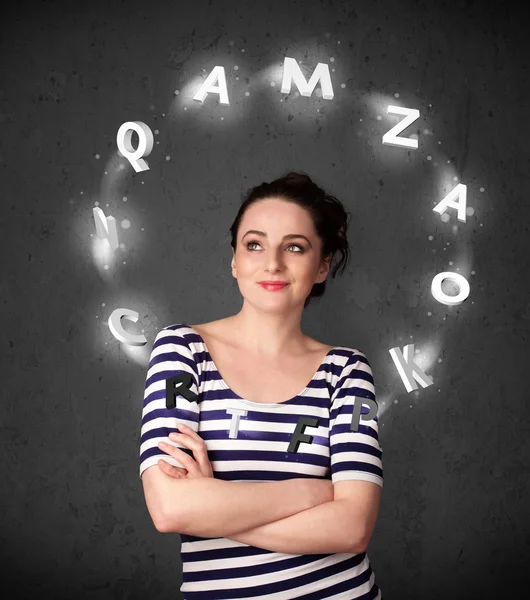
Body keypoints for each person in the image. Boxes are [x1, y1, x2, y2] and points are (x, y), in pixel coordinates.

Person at [139, 172, 384, 599]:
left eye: (294, 246)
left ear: (322, 265)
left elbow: (353, 528)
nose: (272, 263)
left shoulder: (347, 370)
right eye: (254, 244)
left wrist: (214, 505)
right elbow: (170, 508)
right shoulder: (182, 349)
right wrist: (312, 492)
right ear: (234, 260)